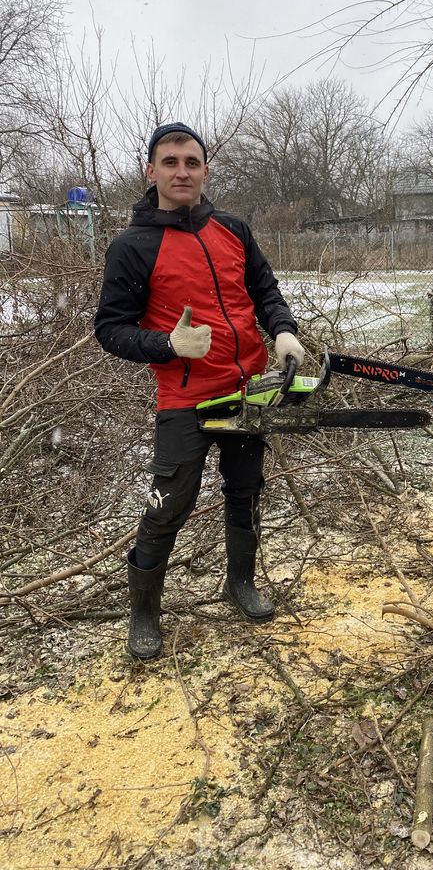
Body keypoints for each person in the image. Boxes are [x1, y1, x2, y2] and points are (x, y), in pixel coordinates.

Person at [95, 122, 304, 661]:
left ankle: (240, 583)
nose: (182, 171)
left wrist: (282, 331)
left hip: (248, 390)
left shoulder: (233, 228)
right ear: (151, 171)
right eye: (171, 162)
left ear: (206, 169)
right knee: (168, 505)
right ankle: (143, 611)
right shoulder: (133, 245)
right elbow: (110, 329)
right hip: (185, 400)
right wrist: (167, 344)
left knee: (246, 491)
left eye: (192, 161)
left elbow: (263, 288)